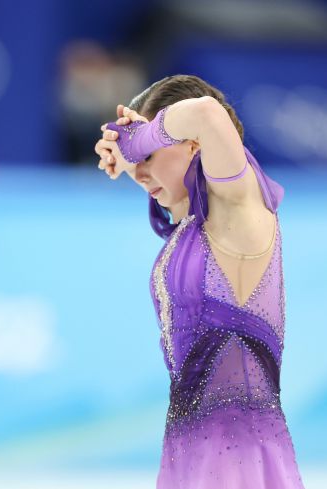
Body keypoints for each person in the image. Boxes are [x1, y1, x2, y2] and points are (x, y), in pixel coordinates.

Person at [93, 74, 305, 488]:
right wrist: (128, 151)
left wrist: (137, 141)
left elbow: (207, 113)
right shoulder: (194, 227)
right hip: (190, 452)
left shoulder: (238, 207)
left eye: (149, 152)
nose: (139, 171)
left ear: (193, 145)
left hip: (239, 457)